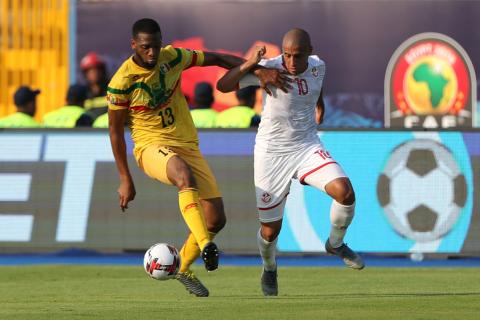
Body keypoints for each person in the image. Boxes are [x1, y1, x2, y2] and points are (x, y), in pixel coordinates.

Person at [107, 18, 289, 298]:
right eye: (146, 48)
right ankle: (206, 245)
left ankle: (183, 267)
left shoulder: (173, 57)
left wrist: (257, 69)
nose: (153, 53)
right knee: (183, 176)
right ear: (134, 45)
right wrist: (124, 178)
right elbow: (115, 131)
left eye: (155, 46)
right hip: (150, 147)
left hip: (187, 145)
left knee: (216, 218)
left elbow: (215, 58)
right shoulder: (121, 82)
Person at [217, 28, 364, 297]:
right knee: (271, 230)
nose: (292, 62)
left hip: (306, 145)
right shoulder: (270, 71)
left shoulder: (319, 67)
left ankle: (335, 244)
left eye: (297, 56)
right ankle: (269, 267)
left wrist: (319, 104)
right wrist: (254, 66)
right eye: (287, 55)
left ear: (310, 51)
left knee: (345, 192)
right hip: (271, 154)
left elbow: (313, 86)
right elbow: (223, 86)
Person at [80, 52, 109, 120]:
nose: (94, 73)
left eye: (97, 69)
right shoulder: (83, 93)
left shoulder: (113, 90)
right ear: (85, 74)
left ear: (103, 71)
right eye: (90, 70)